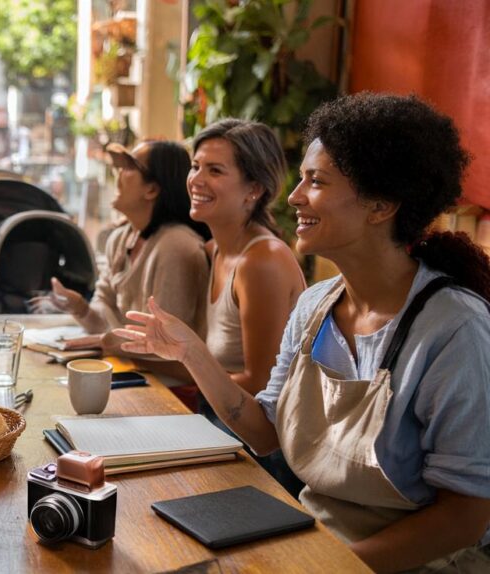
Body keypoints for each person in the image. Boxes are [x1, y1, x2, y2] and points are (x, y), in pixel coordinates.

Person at [117, 93, 490, 572]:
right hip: (314, 540)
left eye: (316, 181)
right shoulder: (317, 305)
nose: (294, 197)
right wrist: (192, 355)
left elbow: (463, 517)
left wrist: (329, 566)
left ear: (380, 205)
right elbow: (266, 432)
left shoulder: (456, 329)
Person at [187, 119, 306, 494]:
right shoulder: (217, 249)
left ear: (253, 189)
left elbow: (260, 384)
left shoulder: (262, 261)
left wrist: (190, 363)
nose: (196, 179)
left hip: (266, 457)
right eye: (195, 166)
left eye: (215, 170)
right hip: (221, 425)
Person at [36, 140, 210, 357]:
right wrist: (80, 307)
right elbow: (104, 322)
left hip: (166, 384)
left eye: (128, 167)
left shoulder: (176, 247)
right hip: (130, 368)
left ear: (152, 189)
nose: (117, 174)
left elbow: (165, 344)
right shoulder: (120, 239)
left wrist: (104, 341)